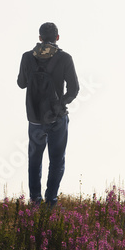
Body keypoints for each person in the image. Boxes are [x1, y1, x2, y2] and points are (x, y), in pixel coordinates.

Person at [17, 22, 79, 208]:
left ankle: (35, 201)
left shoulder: (27, 57)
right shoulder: (65, 58)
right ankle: (51, 201)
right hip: (56, 118)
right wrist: (60, 105)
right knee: (57, 160)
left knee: (34, 160)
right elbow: (74, 89)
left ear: (40, 37)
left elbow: (21, 84)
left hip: (35, 118)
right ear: (57, 38)